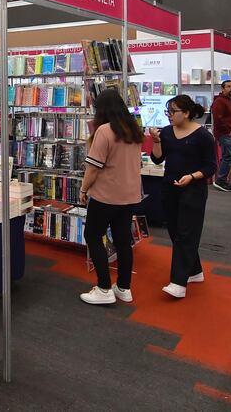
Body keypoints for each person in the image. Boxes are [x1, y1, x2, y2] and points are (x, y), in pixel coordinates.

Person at [78, 89, 143, 306]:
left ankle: (104, 287)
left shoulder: (104, 131)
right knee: (123, 240)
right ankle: (124, 287)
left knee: (93, 236)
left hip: (106, 195)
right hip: (129, 195)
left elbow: (93, 168)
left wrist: (83, 190)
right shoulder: (133, 129)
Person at [149, 95, 217, 299]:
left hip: (193, 189)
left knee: (187, 232)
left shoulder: (203, 136)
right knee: (175, 231)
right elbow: (157, 158)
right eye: (168, 111)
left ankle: (178, 282)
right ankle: (195, 271)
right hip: (169, 187)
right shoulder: (168, 132)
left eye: (173, 111)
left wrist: (192, 176)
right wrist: (156, 141)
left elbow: (211, 166)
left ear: (186, 113)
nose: (169, 115)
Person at [211, 80, 231, 192]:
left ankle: (222, 180)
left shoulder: (229, 100)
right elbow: (218, 119)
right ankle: (220, 181)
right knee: (229, 157)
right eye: (228, 86)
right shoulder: (219, 101)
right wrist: (228, 131)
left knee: (227, 157)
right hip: (226, 134)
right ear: (222, 89)